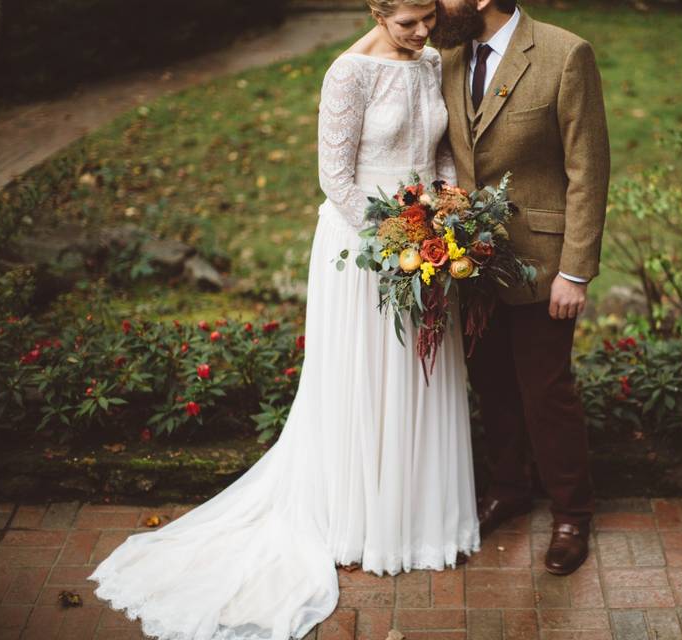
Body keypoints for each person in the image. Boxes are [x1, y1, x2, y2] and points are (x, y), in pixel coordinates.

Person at [86, 2, 481, 638]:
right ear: (378, 12)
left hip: (428, 247)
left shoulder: (431, 62)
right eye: (408, 21)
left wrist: (443, 214)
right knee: (363, 379)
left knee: (420, 374)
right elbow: (336, 180)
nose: (422, 33)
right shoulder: (346, 75)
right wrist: (395, 241)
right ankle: (356, 521)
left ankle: (417, 522)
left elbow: (434, 155)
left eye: (428, 18)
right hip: (364, 247)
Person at [431, 0, 611, 575]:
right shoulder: (448, 53)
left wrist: (575, 270)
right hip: (469, 262)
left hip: (541, 262)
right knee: (490, 382)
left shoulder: (565, 54)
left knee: (546, 390)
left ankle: (571, 514)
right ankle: (509, 488)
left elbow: (589, 168)